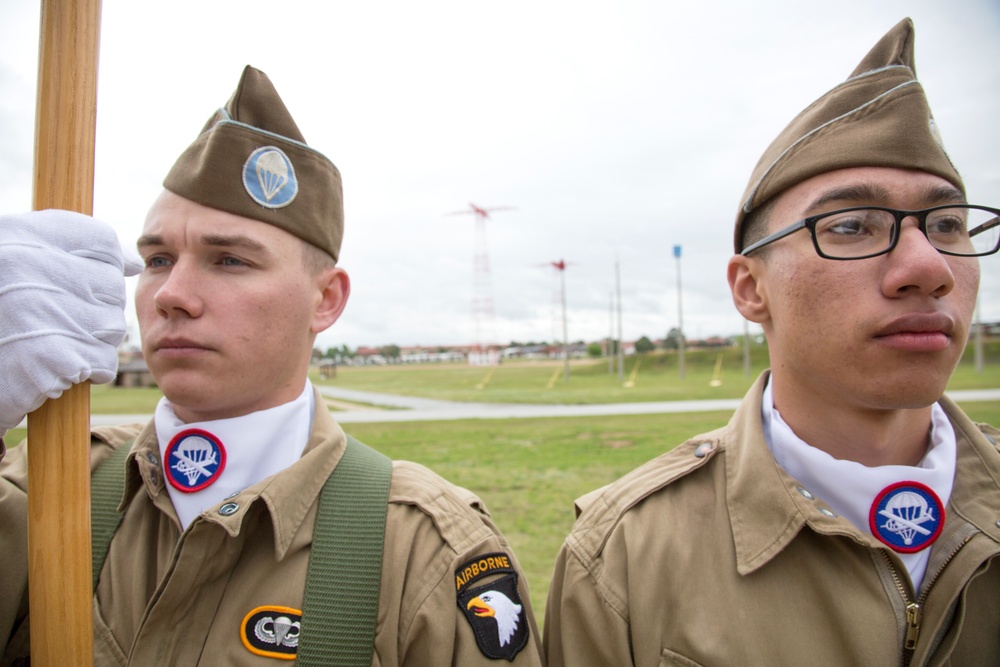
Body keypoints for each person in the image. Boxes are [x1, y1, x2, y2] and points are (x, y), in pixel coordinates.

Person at [0, 66, 542, 666]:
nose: (170, 294)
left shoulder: (424, 552)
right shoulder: (48, 485)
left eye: (229, 260)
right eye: (156, 258)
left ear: (326, 299)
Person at [544, 18, 1000, 667]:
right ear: (750, 288)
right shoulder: (626, 556)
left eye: (949, 222)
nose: (928, 266)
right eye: (851, 226)